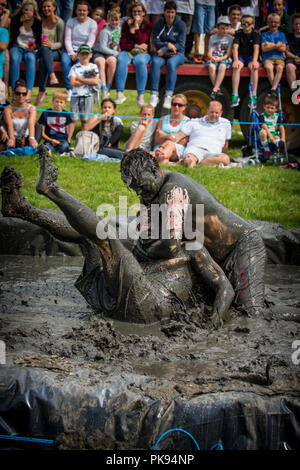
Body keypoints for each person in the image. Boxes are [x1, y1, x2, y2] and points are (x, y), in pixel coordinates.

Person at [0, 146, 265, 325]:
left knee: (252, 312)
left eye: (142, 185)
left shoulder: (176, 197)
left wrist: (211, 328)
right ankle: (24, 210)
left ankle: (52, 189)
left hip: (240, 244)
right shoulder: (158, 211)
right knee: (98, 236)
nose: (140, 194)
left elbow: (173, 248)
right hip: (142, 294)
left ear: (155, 169)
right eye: (134, 190)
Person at [149, 1, 186, 110]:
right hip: (161, 53)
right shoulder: (158, 23)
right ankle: (154, 94)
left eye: (172, 12)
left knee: (171, 63)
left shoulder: (181, 24)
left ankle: (169, 95)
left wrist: (165, 47)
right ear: (164, 12)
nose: (170, 15)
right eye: (168, 12)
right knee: (155, 62)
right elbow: (156, 40)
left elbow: (180, 44)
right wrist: (167, 45)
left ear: (175, 13)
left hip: (177, 53)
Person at [115, 1, 152, 107]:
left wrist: (136, 27)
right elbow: (123, 44)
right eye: (134, 11)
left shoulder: (147, 25)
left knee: (140, 61)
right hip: (128, 51)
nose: (137, 14)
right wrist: (135, 46)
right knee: (121, 59)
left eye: (139, 11)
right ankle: (120, 93)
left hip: (143, 53)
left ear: (144, 13)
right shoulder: (126, 25)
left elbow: (142, 41)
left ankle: (140, 95)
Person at [173, 100, 232, 167]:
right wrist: (166, 137)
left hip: (214, 153)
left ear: (221, 113)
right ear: (207, 111)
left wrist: (222, 154)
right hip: (195, 149)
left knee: (226, 159)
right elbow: (178, 135)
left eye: (216, 113)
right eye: (211, 112)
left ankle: (198, 162)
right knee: (188, 160)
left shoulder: (226, 123)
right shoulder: (194, 122)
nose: (214, 115)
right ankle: (193, 161)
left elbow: (226, 143)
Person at [61, 0, 98, 101]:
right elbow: (67, 39)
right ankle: (69, 89)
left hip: (84, 51)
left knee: (80, 64)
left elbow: (90, 41)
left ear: (88, 11)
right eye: (79, 10)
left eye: (84, 10)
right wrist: (71, 52)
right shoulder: (70, 22)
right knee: (64, 61)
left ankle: (79, 88)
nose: (82, 12)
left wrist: (79, 53)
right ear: (76, 11)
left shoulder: (92, 23)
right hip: (70, 50)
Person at [9, 0, 42, 102]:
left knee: (31, 58)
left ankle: (29, 91)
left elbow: (39, 41)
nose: (28, 12)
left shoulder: (37, 21)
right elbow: (12, 38)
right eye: (26, 9)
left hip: (30, 47)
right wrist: (21, 24)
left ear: (34, 11)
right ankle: (15, 90)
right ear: (22, 10)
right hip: (17, 46)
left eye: (30, 10)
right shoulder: (16, 19)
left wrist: (34, 46)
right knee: (14, 58)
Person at [35, 0, 65, 106]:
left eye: (48, 7)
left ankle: (42, 91)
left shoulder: (60, 22)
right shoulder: (40, 22)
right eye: (43, 7)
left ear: (54, 8)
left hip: (55, 51)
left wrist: (50, 45)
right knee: (43, 49)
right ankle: (52, 75)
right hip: (41, 49)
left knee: (44, 58)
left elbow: (61, 43)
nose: (46, 9)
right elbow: (37, 40)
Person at [231, 14, 260, 108]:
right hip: (241, 57)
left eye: (249, 23)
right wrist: (235, 60)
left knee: (254, 68)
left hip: (251, 57)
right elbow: (235, 48)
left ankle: (253, 95)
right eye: (244, 23)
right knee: (236, 67)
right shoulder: (238, 33)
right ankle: (235, 94)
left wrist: (255, 61)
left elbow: (256, 48)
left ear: (253, 24)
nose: (246, 25)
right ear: (241, 24)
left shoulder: (255, 34)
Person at [68, 43, 99, 133]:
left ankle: (83, 140)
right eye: (82, 54)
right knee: (73, 120)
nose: (84, 56)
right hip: (75, 96)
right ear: (78, 55)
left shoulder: (93, 67)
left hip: (87, 96)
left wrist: (80, 79)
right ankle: (68, 140)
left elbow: (95, 81)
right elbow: (73, 82)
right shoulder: (74, 68)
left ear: (90, 55)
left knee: (85, 120)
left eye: (86, 53)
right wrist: (87, 80)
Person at [152, 93, 189, 165]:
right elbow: (157, 139)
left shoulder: (187, 121)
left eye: (180, 105)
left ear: (184, 107)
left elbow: (183, 142)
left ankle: (157, 157)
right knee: (164, 159)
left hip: (176, 150)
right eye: (174, 104)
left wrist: (164, 135)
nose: (176, 107)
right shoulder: (163, 119)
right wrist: (169, 136)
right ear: (171, 105)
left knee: (170, 144)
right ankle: (163, 162)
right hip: (160, 147)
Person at [93, 7, 121, 100]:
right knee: (101, 62)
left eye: (116, 20)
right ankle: (103, 88)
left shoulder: (118, 29)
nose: (114, 22)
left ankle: (108, 86)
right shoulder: (105, 31)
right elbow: (102, 47)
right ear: (108, 20)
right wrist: (115, 52)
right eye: (112, 20)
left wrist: (115, 52)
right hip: (100, 52)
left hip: (110, 53)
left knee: (113, 61)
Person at [3, 79, 39, 148]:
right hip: (12, 135)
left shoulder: (32, 108)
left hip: (26, 135)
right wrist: (12, 138)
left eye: (24, 94)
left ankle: (30, 144)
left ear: (27, 94)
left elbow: (31, 123)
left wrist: (31, 138)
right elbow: (9, 125)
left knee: (38, 127)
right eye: (18, 93)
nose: (21, 96)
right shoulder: (8, 109)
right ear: (14, 93)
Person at [206, 16, 233, 100]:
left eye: (226, 28)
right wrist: (212, 57)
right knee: (211, 67)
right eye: (222, 28)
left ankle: (214, 89)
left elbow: (228, 54)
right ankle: (217, 88)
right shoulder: (213, 38)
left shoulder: (230, 38)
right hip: (214, 57)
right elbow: (209, 52)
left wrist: (220, 59)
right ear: (217, 28)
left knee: (222, 66)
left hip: (224, 58)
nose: (224, 31)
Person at [38, 89, 73, 154]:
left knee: (64, 147)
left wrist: (68, 140)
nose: (58, 104)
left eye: (61, 102)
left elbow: (68, 129)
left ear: (65, 103)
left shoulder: (66, 114)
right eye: (57, 102)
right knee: (47, 149)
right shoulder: (46, 113)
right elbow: (42, 132)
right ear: (53, 101)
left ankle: (64, 150)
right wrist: (51, 140)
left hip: (62, 140)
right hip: (49, 140)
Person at [261, 12, 287, 93]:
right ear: (268, 23)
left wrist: (270, 45)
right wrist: (276, 46)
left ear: (279, 24)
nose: (273, 24)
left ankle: (273, 88)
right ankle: (274, 88)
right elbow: (264, 49)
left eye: (275, 22)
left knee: (279, 68)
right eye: (271, 22)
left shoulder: (281, 35)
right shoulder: (264, 35)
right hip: (268, 58)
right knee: (269, 68)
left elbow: (283, 49)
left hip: (279, 57)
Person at [258, 93, 285, 158]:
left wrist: (283, 138)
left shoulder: (277, 116)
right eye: (268, 107)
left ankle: (279, 147)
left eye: (272, 108)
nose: (269, 110)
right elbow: (264, 126)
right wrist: (270, 137)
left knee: (277, 138)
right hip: (266, 134)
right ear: (264, 107)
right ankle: (267, 151)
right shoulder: (262, 116)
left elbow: (281, 126)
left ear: (275, 109)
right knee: (263, 132)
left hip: (274, 134)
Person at [285, 12, 300, 97]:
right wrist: (295, 57)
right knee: (289, 67)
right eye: (296, 24)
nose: (298, 26)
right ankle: (294, 92)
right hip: (292, 57)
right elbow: (286, 51)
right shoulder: (289, 36)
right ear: (293, 25)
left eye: (299, 24)